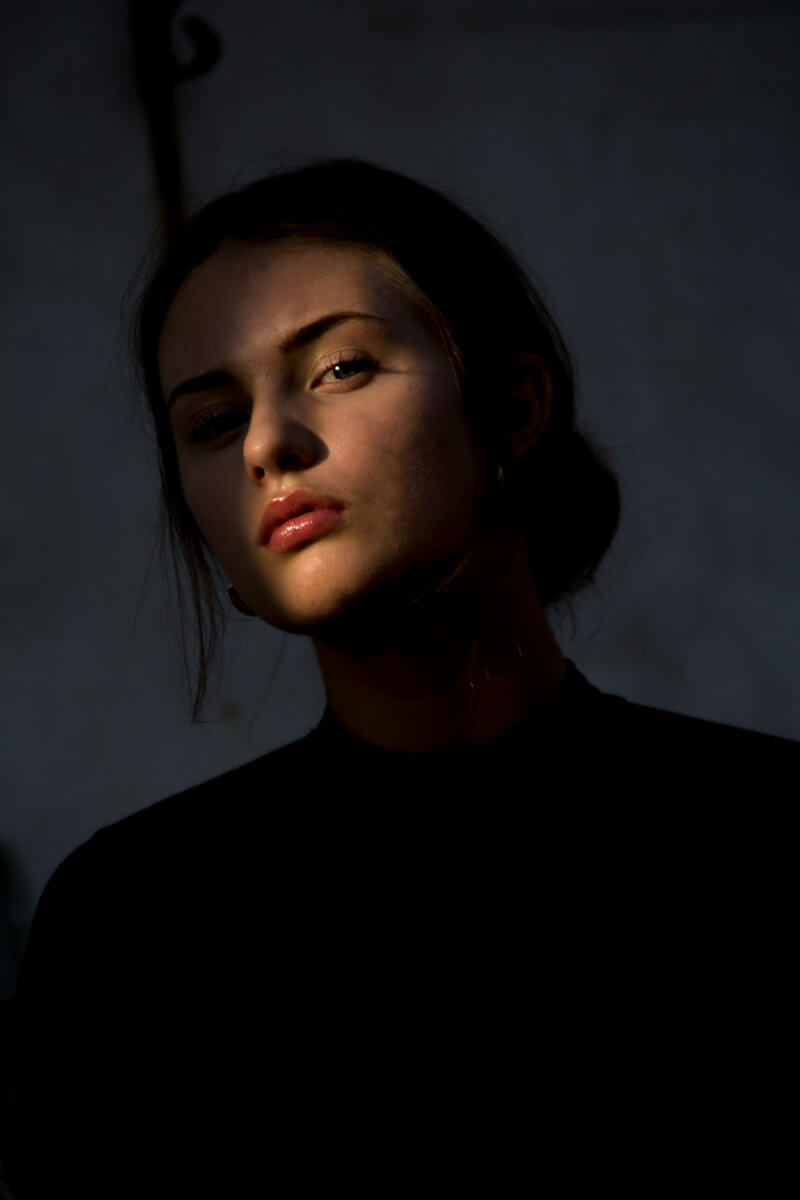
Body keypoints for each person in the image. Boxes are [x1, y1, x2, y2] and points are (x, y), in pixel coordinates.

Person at [9, 158, 796, 1197]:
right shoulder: (134, 922)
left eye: (337, 369)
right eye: (209, 421)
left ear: (511, 406)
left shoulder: (769, 835)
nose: (266, 445)